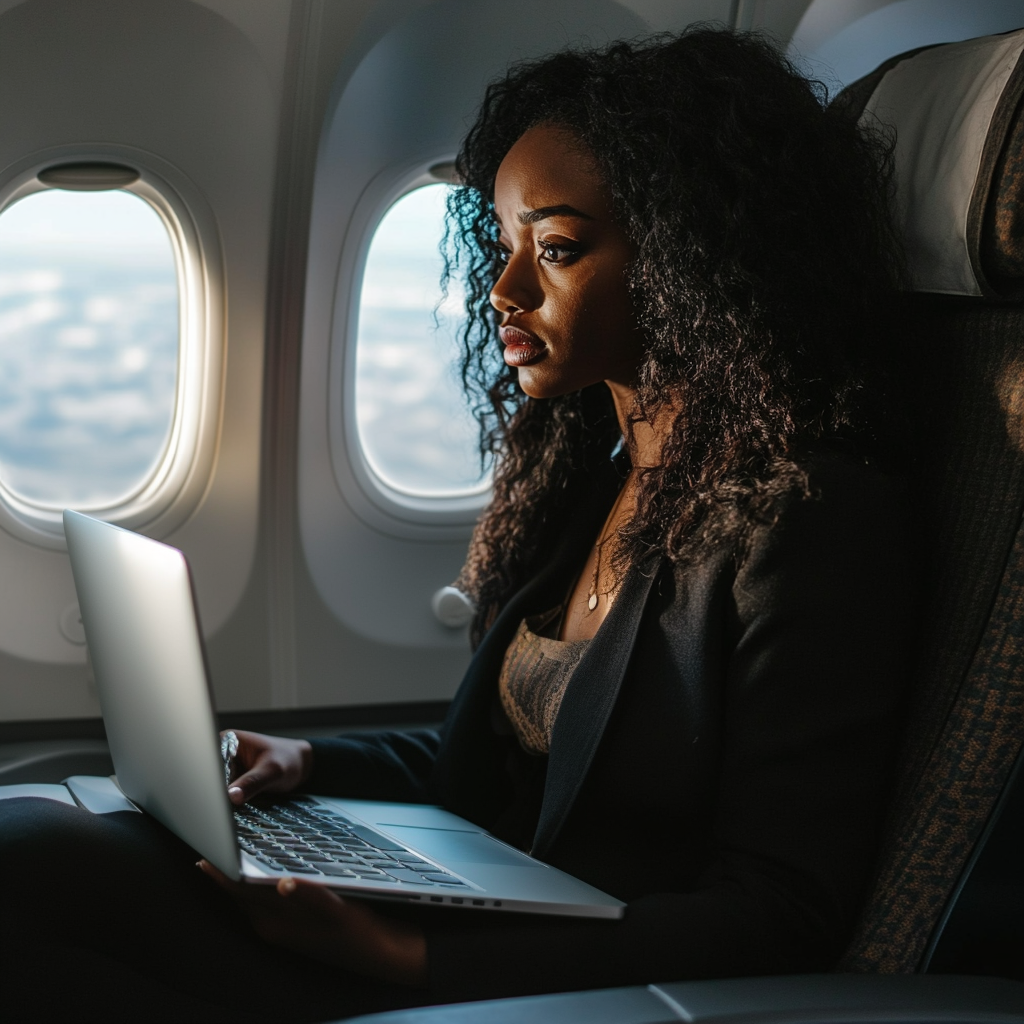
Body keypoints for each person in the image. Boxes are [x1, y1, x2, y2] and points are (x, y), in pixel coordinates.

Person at [0, 27, 913, 1023]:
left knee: (38, 901)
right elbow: (508, 762)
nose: (505, 289)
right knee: (32, 837)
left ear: (692, 259)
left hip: (544, 980)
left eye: (555, 249)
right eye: (502, 243)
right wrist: (311, 761)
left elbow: (779, 911)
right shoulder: (591, 474)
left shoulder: (811, 524)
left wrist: (399, 955)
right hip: (474, 915)